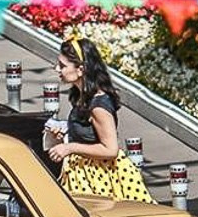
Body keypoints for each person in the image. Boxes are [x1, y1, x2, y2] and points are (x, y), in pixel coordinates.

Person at [49, 37, 151, 201]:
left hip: (101, 178)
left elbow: (110, 150)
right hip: (84, 174)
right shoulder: (83, 97)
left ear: (80, 69)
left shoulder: (98, 106)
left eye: (62, 66)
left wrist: (70, 147)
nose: (57, 69)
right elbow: (89, 136)